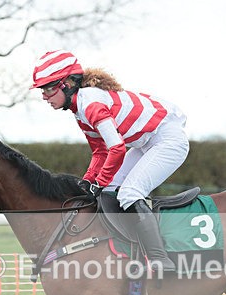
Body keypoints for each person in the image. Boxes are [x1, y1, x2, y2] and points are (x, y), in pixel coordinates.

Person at [31, 50, 189, 273]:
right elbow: (99, 152)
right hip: (147, 142)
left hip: (168, 141)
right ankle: (127, 252)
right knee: (110, 190)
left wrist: (100, 181)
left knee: (129, 193)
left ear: (67, 83)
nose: (44, 96)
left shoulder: (91, 105)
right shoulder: (78, 109)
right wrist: (87, 182)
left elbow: (116, 148)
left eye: (48, 88)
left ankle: (160, 259)